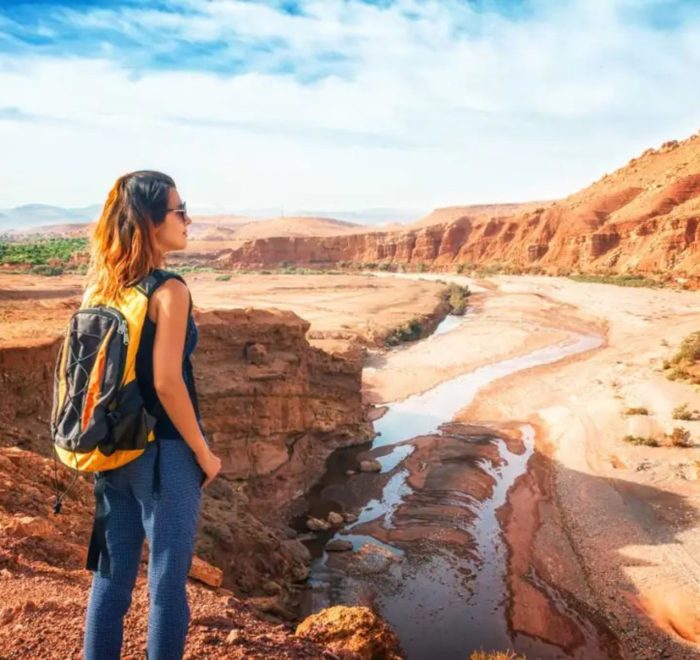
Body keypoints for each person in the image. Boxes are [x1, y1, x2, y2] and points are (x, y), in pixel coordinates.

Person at [82, 170, 222, 660]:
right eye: (180, 210)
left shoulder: (104, 287)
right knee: (166, 587)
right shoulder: (170, 290)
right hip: (164, 454)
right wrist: (203, 452)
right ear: (150, 221)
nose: (188, 219)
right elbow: (166, 381)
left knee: (109, 582)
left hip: (112, 452)